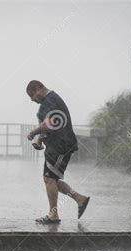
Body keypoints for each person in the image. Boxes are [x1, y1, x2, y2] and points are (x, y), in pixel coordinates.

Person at [26, 80, 90, 224]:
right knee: (51, 179)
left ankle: (53, 215)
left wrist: (33, 132)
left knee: (49, 179)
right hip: (56, 145)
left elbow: (48, 124)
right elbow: (50, 125)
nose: (31, 99)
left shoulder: (51, 100)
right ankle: (80, 199)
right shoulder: (48, 102)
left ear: (38, 88)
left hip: (61, 145)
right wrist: (39, 138)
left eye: (32, 95)